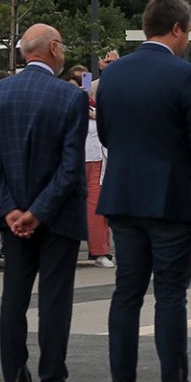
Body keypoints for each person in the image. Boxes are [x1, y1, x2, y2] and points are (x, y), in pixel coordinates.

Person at [96, 0, 191, 382]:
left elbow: (108, 134)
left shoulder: (112, 75)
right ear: (179, 28)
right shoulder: (185, 76)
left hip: (124, 196)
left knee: (126, 294)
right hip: (170, 198)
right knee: (170, 296)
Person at [0, 25, 94, 382]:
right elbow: (69, 166)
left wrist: (10, 209)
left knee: (13, 299)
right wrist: (38, 212)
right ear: (55, 48)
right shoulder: (69, 97)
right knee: (54, 303)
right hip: (56, 217)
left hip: (12, 219)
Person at [81, 80, 112, 267]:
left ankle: (100, 251)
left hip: (98, 160)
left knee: (96, 208)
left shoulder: (103, 112)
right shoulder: (77, 108)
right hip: (78, 160)